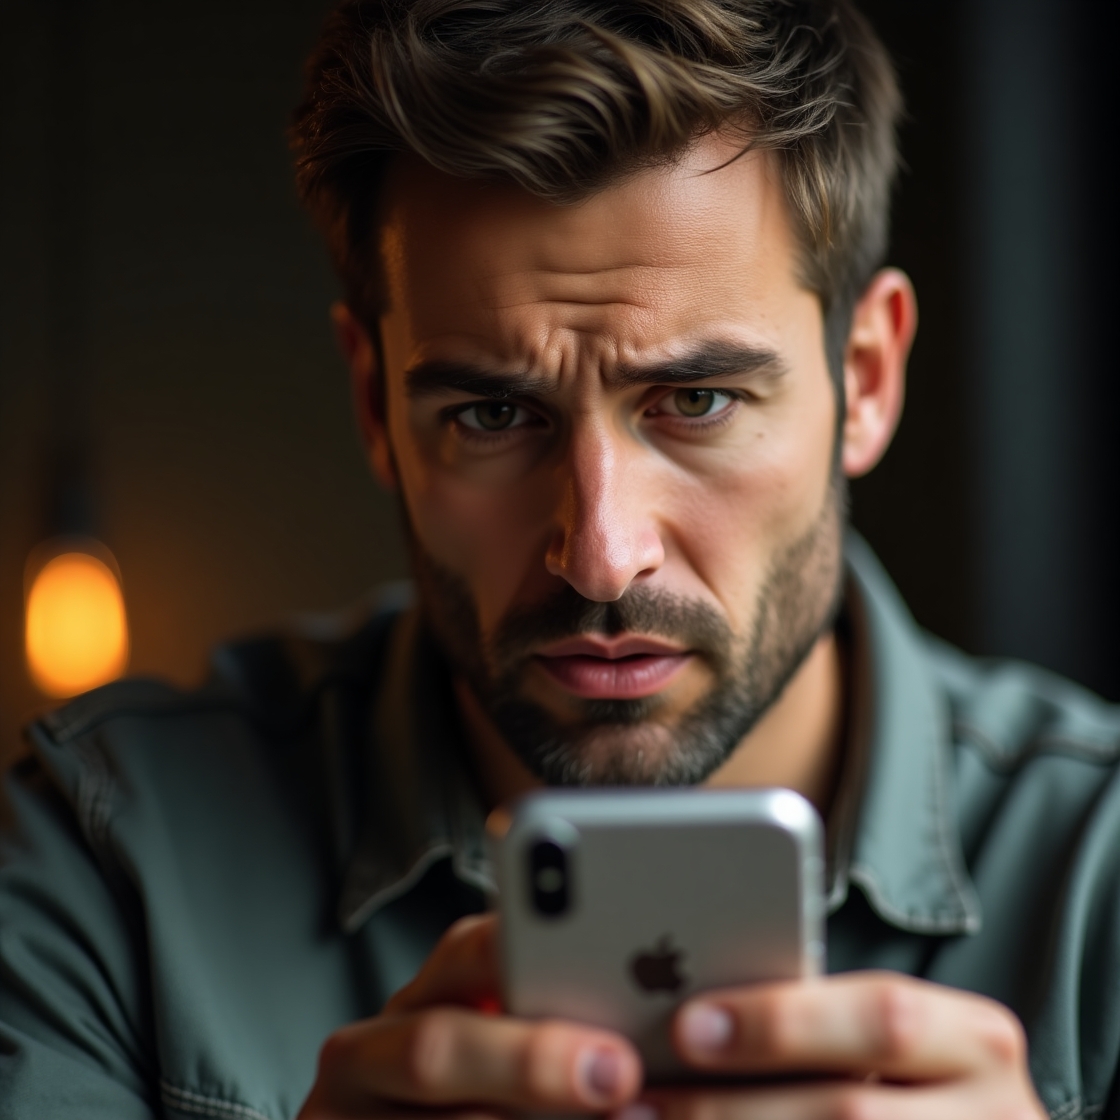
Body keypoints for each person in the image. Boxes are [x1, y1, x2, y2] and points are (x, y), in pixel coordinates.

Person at [1, 1, 1117, 1117]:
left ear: (865, 380)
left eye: (696, 400)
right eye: (492, 413)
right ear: (373, 406)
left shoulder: (1099, 878)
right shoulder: (105, 866)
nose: (599, 557)